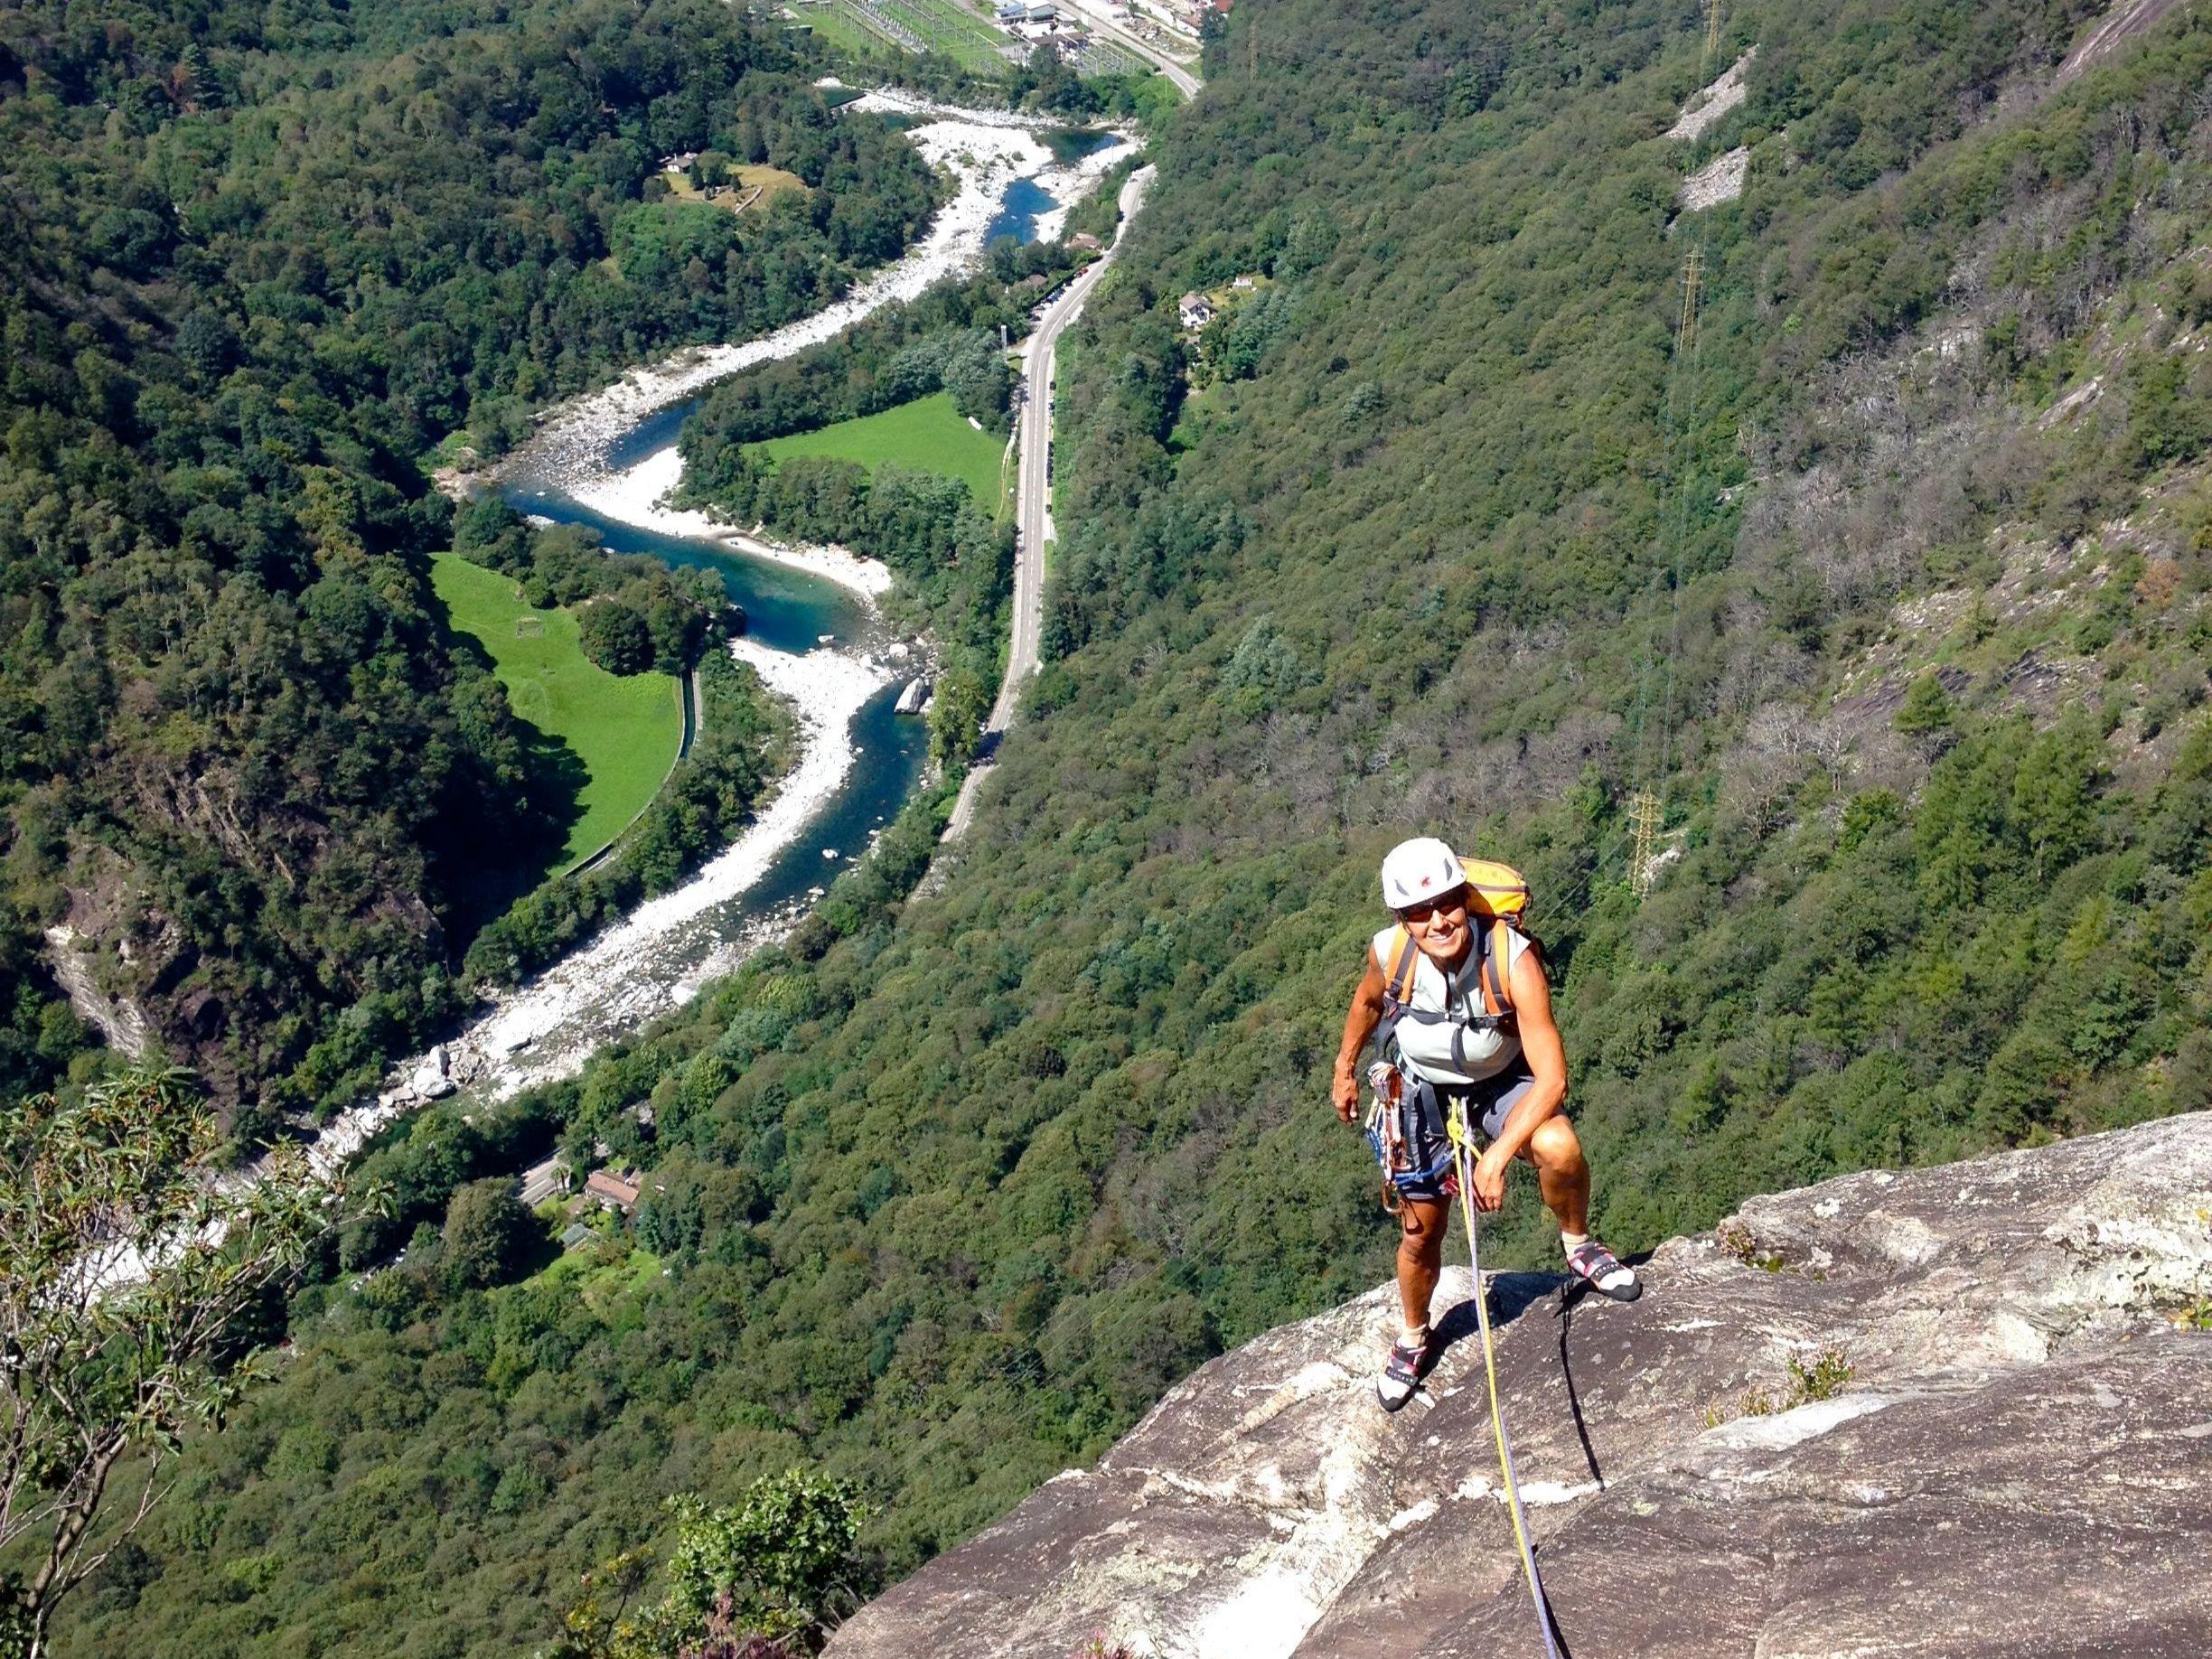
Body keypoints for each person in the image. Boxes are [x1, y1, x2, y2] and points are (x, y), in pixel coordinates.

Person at [1334, 836, 1640, 1411]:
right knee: (1421, 1232)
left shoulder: (1512, 958)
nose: (1438, 921)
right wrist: (1344, 1067)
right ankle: (1414, 1335)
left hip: (1501, 1080)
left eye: (1447, 903)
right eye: (1419, 913)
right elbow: (1368, 1005)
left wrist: (1496, 1156)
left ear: (1464, 899)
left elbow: (1551, 1080)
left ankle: (1578, 1245)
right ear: (1403, 918)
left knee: (1560, 1147)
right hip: (1420, 1088)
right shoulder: (1390, 951)